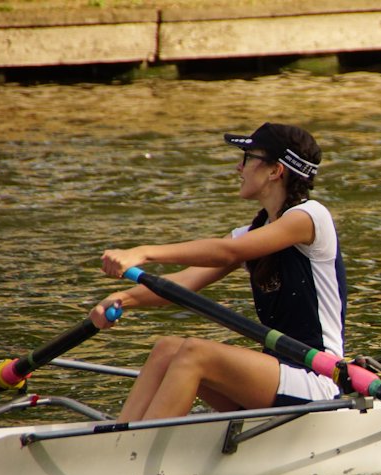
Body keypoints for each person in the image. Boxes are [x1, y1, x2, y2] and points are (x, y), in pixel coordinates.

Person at [89, 123, 347, 421]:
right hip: (275, 377)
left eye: (248, 157)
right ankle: (121, 435)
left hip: (318, 379)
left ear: (276, 170)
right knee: (167, 349)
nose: (239, 167)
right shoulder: (252, 233)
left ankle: (137, 451)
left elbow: (228, 252)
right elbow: (184, 282)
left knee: (195, 353)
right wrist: (123, 298)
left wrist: (143, 252)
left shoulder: (311, 217)